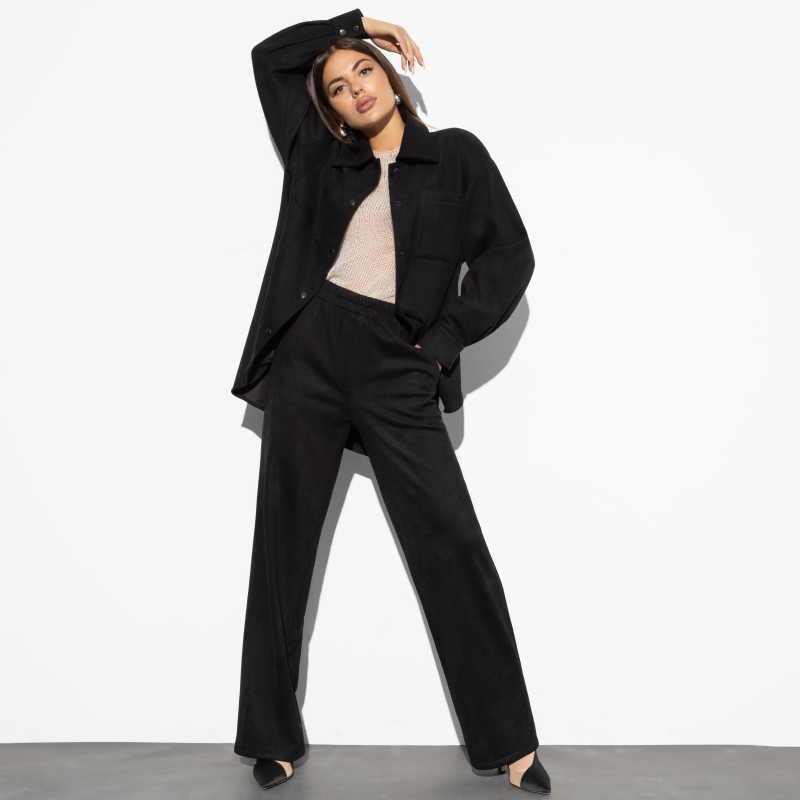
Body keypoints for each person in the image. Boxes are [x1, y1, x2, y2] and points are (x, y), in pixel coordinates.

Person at [231, 8, 552, 794]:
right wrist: (355, 22)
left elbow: (510, 258)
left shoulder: (456, 156)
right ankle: (270, 738)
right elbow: (270, 57)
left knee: (452, 541)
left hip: (397, 363)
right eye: (338, 87)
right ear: (332, 111)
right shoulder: (316, 155)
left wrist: (441, 344)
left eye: (363, 71)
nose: (355, 90)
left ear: (391, 76)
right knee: (282, 547)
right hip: (310, 354)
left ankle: (510, 743)